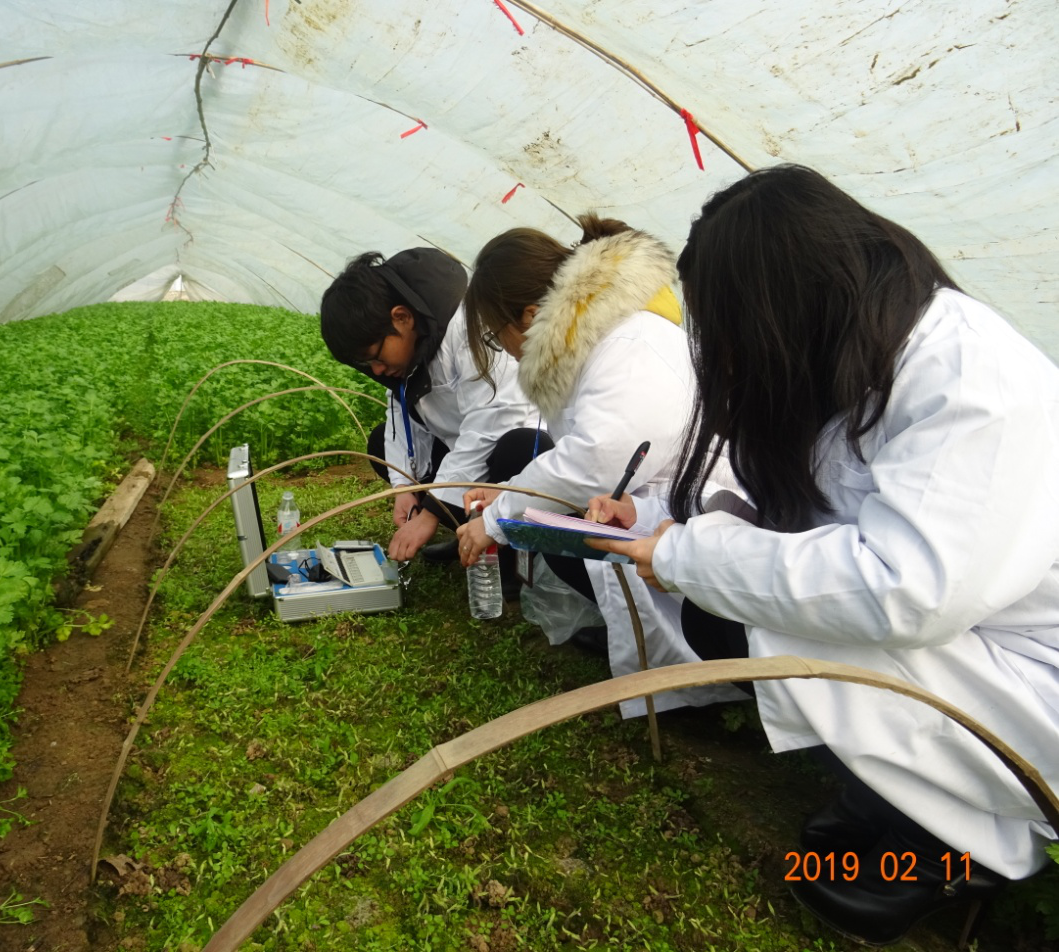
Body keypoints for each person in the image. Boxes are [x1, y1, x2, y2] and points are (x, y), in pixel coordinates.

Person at [588, 164, 1059, 945]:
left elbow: (904, 589)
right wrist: (658, 516)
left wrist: (690, 558)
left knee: (790, 629)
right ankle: (901, 807)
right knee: (758, 610)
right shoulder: (864, 357)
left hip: (1034, 680)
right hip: (977, 654)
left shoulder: (968, 375)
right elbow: (789, 502)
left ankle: (972, 849)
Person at [454, 213, 744, 715]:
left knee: (562, 526)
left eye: (496, 334)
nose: (502, 348)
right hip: (653, 505)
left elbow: (595, 458)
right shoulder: (605, 336)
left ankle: (711, 691)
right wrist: (505, 494)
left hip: (705, 517)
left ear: (526, 316)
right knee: (555, 523)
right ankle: (654, 652)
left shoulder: (630, 342)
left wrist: (497, 516)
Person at [320, 248, 540, 563]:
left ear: (402, 317)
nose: (377, 370)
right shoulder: (411, 343)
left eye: (377, 357)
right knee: (380, 441)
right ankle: (466, 530)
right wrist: (403, 488)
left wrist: (431, 512)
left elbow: (493, 423)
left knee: (517, 446)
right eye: (366, 365)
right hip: (467, 448)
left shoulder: (467, 328)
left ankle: (510, 554)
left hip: (521, 445)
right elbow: (402, 416)